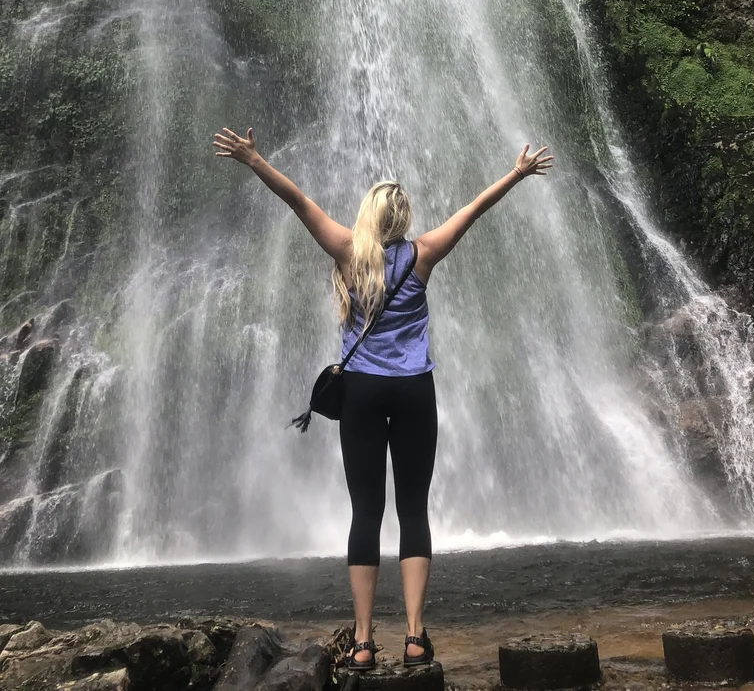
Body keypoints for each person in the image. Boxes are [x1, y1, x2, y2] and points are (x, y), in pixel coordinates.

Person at [212, 126, 554, 669]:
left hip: (363, 392)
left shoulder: (347, 250)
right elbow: (474, 209)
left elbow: (297, 199)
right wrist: (516, 173)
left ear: (369, 216)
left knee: (366, 511)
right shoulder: (424, 255)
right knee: (414, 509)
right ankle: (416, 638)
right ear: (405, 218)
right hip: (415, 388)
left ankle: (366, 642)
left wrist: (254, 160)